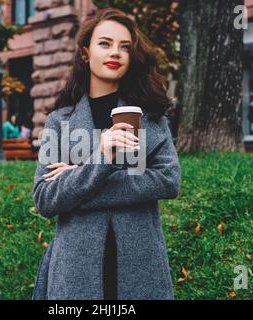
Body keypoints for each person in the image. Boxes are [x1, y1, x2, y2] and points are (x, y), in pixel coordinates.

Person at [31, 8, 180, 300]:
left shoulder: (151, 117)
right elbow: (46, 199)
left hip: (141, 264)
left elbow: (168, 181)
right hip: (75, 270)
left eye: (125, 47)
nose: (116, 52)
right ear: (85, 53)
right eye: (105, 43)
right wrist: (101, 159)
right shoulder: (59, 121)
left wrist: (76, 176)